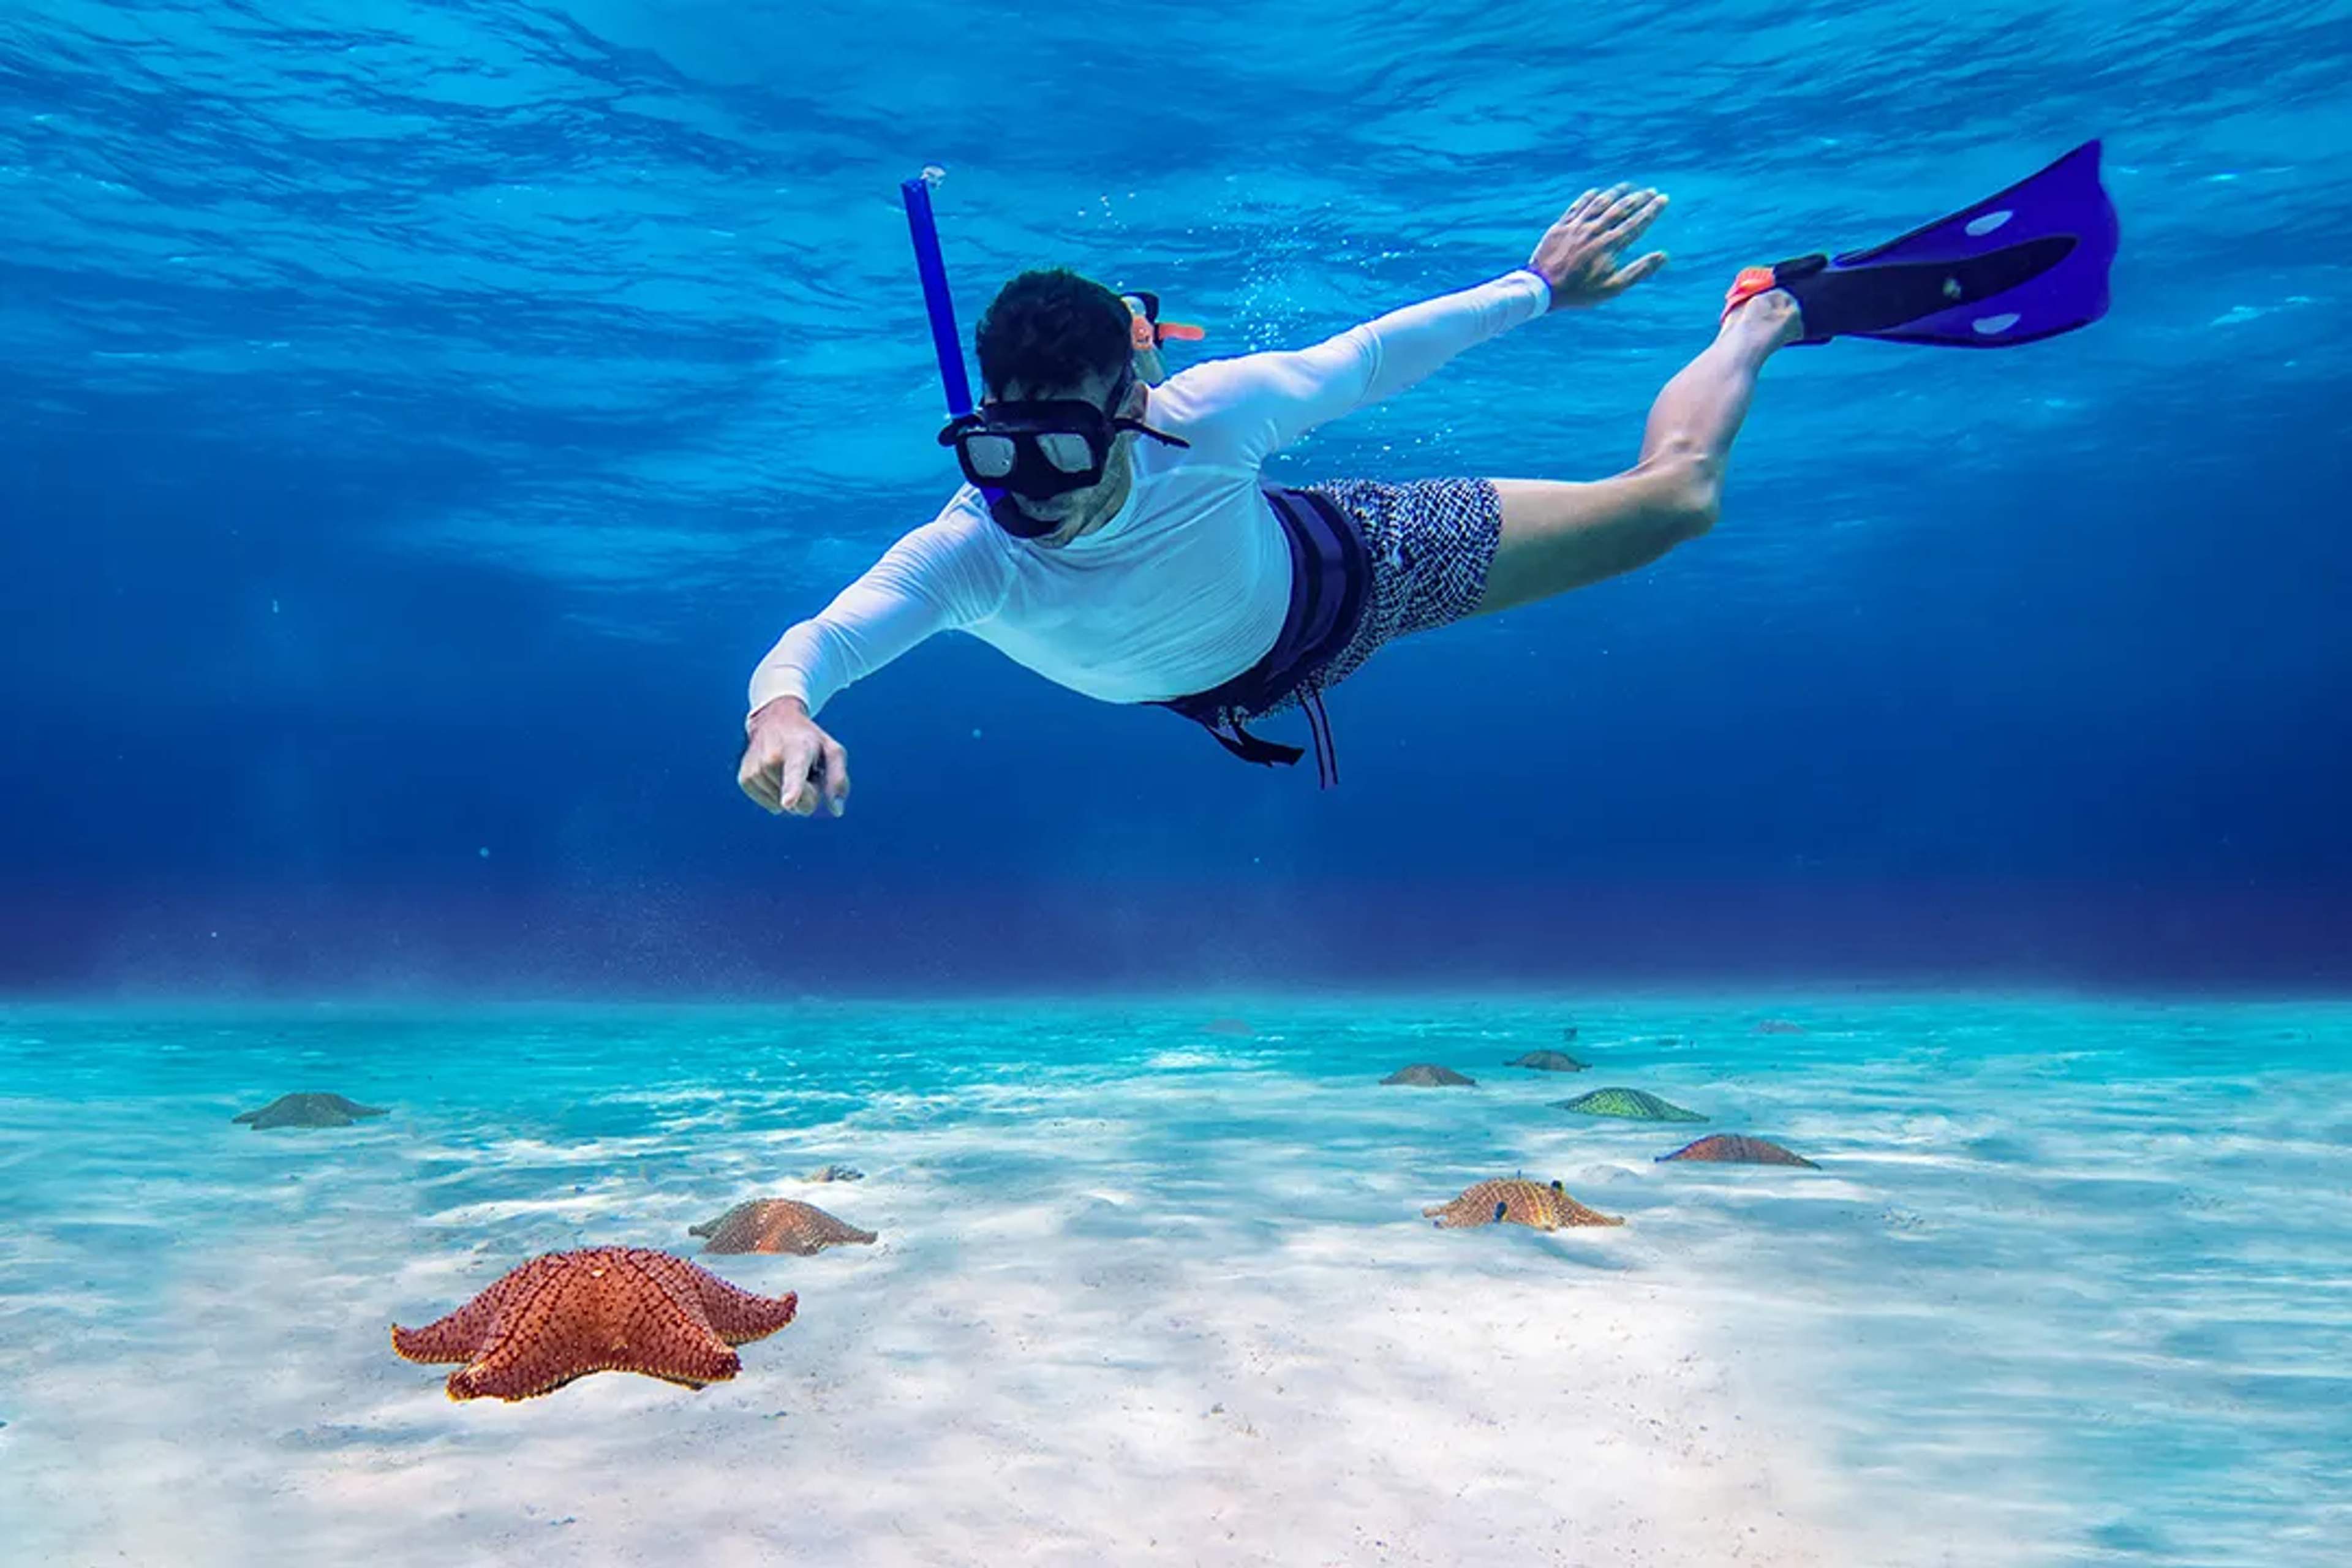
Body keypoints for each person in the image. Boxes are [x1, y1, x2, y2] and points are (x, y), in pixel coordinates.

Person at [739, 143, 2116, 817]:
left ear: (1133, 402)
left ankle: (1768, 310)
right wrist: (781, 721)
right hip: (1243, 673)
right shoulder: (970, 545)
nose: (1036, 490)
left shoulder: (1208, 413)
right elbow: (818, 644)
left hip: (1367, 562)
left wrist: (1534, 286)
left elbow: (1371, 358)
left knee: (1680, 502)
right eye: (1005, 453)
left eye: (1068, 450)